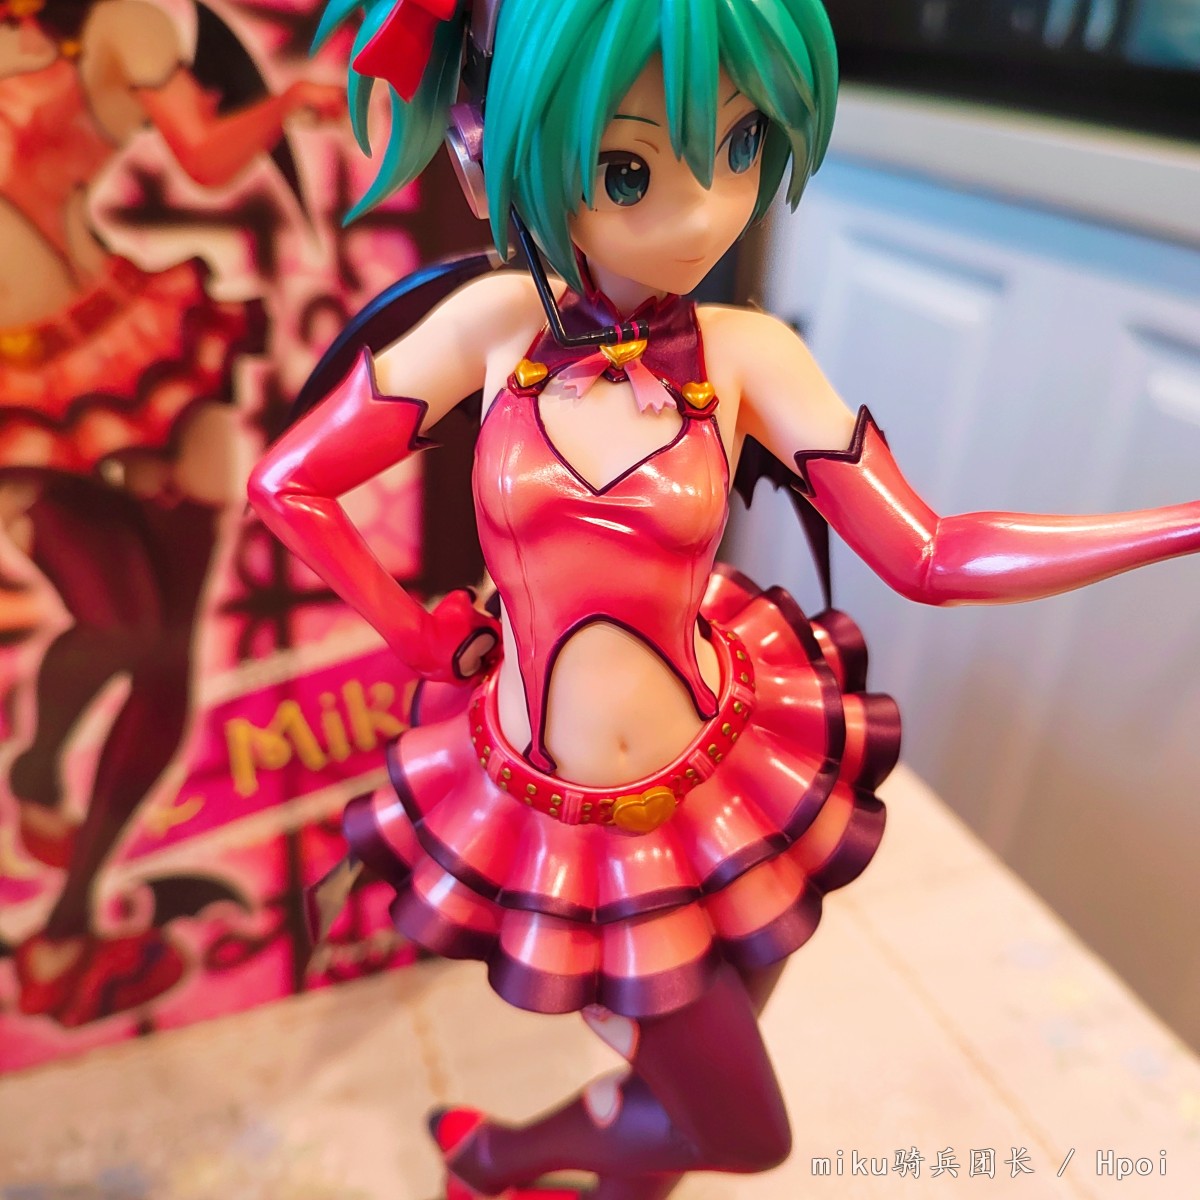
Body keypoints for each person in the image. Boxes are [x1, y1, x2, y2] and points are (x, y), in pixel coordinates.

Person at [249, 1, 1200, 1196]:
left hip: (723, 785)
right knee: (744, 1131)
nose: (702, 213)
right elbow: (287, 486)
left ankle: (511, 1159)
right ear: (490, 145)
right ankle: (511, 1152)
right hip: (553, 812)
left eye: (741, 146)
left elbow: (933, 552)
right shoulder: (490, 328)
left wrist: (1183, 522)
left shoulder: (753, 356)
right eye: (630, 169)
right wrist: (414, 634)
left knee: (688, 1090)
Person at [0, 0, 341, 1027]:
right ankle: (39, 767)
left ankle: (67, 930)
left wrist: (287, 98)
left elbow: (201, 156)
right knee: (123, 625)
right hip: (22, 400)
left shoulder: (114, 22)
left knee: (167, 647)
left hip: (137, 349)